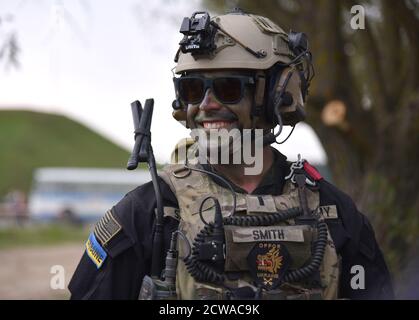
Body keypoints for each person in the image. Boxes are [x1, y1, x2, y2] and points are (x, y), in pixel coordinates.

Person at [69, 9, 394, 300]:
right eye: (193, 90)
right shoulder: (151, 214)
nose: (207, 104)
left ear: (277, 96)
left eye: (228, 88)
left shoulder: (333, 212)